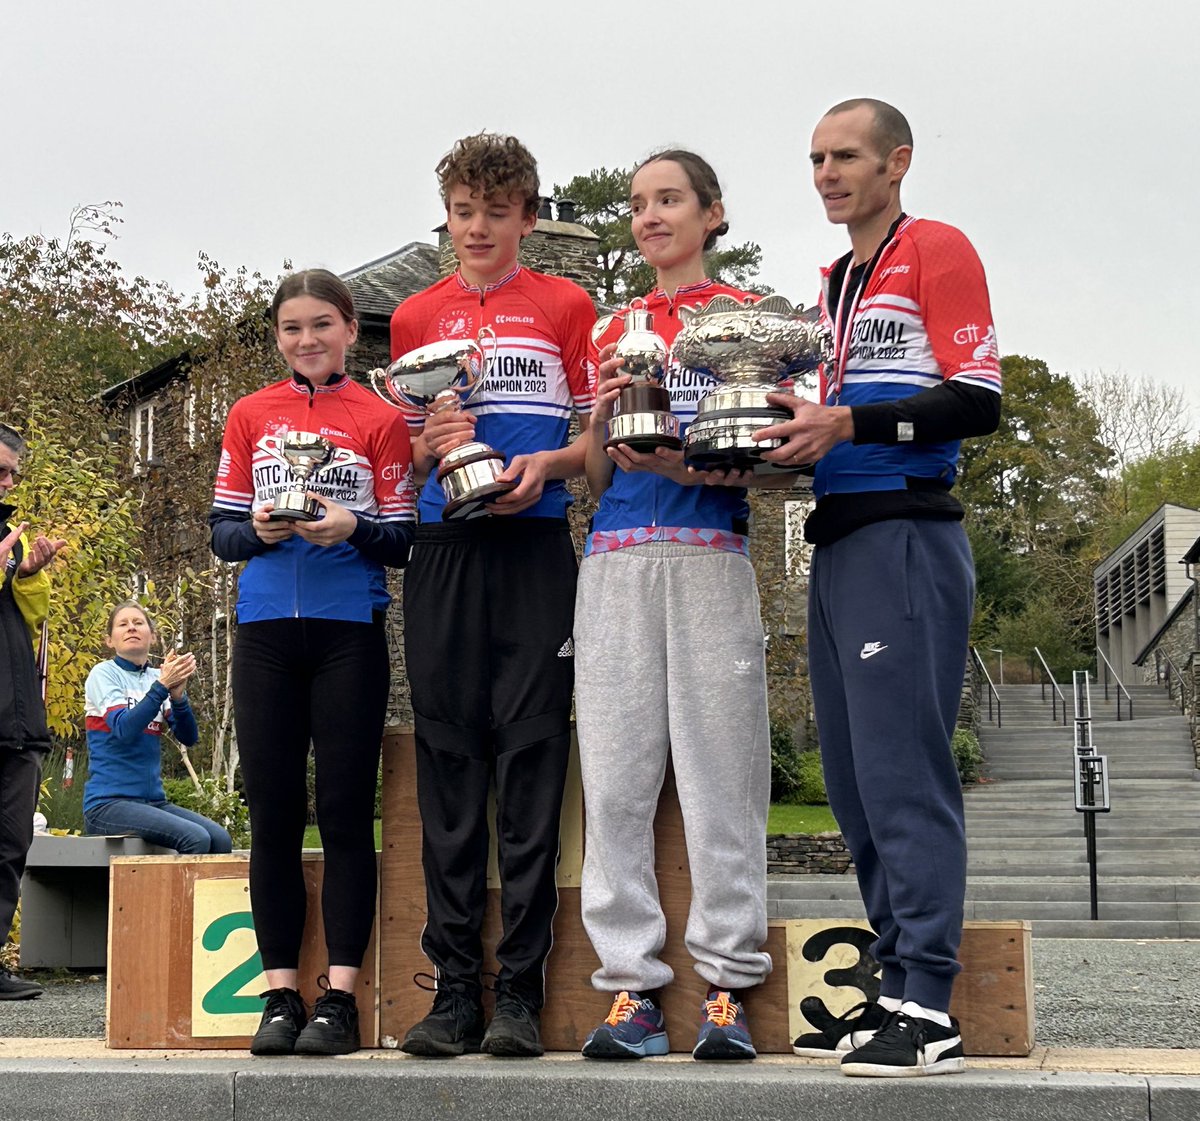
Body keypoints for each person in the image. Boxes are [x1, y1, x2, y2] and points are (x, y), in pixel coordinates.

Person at [755, 98, 1002, 1078]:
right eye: (815, 157)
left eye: (846, 155)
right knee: (855, 787)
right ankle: (895, 982)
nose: (827, 172)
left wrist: (848, 429)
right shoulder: (831, 282)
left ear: (896, 161)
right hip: (839, 540)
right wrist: (781, 438)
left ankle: (930, 1009)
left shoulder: (935, 248)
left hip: (907, 531)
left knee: (904, 776)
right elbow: (836, 411)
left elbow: (976, 398)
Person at [575, 150, 799, 1063]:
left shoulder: (754, 320)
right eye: (638, 204)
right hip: (615, 562)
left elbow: (786, 460)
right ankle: (628, 988)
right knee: (616, 783)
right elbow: (592, 477)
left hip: (712, 555)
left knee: (724, 779)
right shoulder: (611, 327)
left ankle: (726, 988)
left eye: (669, 200)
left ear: (712, 213)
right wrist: (601, 425)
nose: (650, 216)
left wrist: (688, 462)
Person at [390, 132, 595, 1058]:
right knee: (448, 763)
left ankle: (518, 992)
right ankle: (453, 993)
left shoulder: (568, 305)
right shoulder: (413, 317)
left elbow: (598, 440)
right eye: (464, 212)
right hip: (444, 548)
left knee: (531, 763)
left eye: (496, 212)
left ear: (527, 216)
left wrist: (546, 463)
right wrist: (433, 446)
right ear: (449, 215)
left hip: (534, 547)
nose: (478, 228)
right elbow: (403, 449)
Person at [209, 269, 416, 1056]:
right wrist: (259, 531)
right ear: (277, 337)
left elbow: (401, 539)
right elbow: (221, 531)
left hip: (346, 632)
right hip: (264, 630)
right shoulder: (250, 415)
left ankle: (341, 997)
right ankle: (279, 996)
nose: (307, 340)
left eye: (321, 325)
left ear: (349, 326)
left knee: (341, 810)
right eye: (291, 328)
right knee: (272, 814)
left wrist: (352, 526)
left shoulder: (382, 418)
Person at [0, 423, 66, 1000]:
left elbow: (29, 620)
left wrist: (27, 573)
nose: (8, 480)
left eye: (12, 472)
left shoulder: (10, 535)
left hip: (17, 721)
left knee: (10, 846)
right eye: (0, 469)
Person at [83, 602, 232, 855]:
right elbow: (123, 729)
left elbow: (189, 737)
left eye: (138, 623)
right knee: (195, 839)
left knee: (220, 839)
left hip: (152, 802)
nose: (131, 628)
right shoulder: (103, 674)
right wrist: (162, 686)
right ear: (110, 640)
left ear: (152, 636)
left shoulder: (158, 678)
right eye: (123, 624)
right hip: (107, 805)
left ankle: (204, 896)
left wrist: (178, 696)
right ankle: (179, 897)